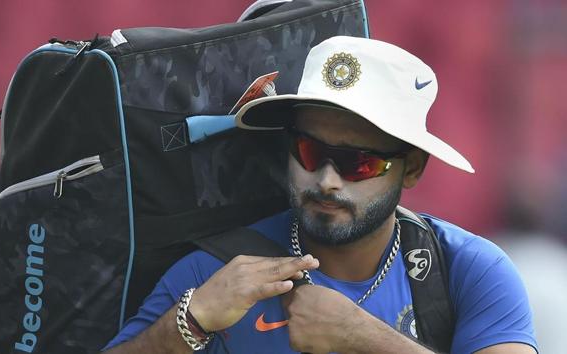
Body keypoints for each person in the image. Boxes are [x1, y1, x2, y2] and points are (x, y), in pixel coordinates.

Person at [103, 36, 537, 353]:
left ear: (413, 168)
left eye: (358, 163)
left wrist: (360, 336)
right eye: (310, 153)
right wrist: (192, 322)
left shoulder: (468, 271)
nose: (328, 180)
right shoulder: (216, 273)